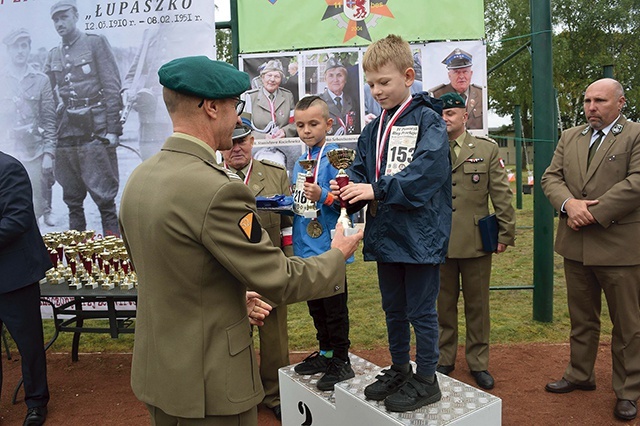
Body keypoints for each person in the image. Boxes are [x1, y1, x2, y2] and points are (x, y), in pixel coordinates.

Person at [118, 55, 363, 425]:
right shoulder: (218, 190)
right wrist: (336, 254)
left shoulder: (140, 178)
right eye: (236, 106)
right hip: (210, 385)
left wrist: (233, 296)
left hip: (158, 376)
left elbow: (169, 272)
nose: (237, 117)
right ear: (212, 107)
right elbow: (278, 279)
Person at [332, 34, 451, 412]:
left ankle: (427, 377)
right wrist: (349, 183)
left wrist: (375, 190)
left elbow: (425, 174)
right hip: (386, 234)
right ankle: (401, 367)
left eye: (384, 82)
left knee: (421, 311)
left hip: (419, 234)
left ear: (408, 76)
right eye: (370, 84)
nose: (376, 90)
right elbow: (362, 166)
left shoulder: (428, 121)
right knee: (394, 308)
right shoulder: (373, 127)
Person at [541, 78, 640, 421]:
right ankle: (580, 374)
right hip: (576, 246)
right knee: (582, 320)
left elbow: (637, 182)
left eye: (599, 100)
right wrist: (569, 204)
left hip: (620, 249)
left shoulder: (635, 134)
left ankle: (627, 391)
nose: (591, 107)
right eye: (587, 101)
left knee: (627, 325)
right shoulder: (571, 136)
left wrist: (590, 213)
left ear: (621, 102)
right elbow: (550, 178)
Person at [435, 93, 516, 390]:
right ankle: (444, 358)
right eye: (441, 113)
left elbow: (501, 195)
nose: (445, 118)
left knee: (477, 306)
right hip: (439, 242)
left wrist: (505, 233)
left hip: (476, 242)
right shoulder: (429, 149)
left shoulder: (485, 149)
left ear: (465, 116)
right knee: (443, 305)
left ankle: (478, 363)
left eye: (451, 113)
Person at [220, 124, 294, 421]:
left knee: (274, 337)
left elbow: (287, 225)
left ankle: (275, 394)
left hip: (269, 269)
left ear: (253, 141)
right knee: (231, 338)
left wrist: (288, 265)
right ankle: (239, 395)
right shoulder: (209, 176)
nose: (237, 148)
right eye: (231, 142)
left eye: (243, 141)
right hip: (227, 274)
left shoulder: (275, 174)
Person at [290, 95, 355, 391]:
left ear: (328, 124)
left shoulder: (335, 158)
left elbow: (348, 203)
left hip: (331, 246)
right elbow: (300, 201)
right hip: (306, 246)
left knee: (334, 307)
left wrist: (325, 196)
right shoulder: (300, 162)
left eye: (313, 124)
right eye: (300, 125)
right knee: (316, 305)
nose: (306, 130)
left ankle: (341, 359)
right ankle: (325, 353)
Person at [44, 0, 123, 236]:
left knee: (105, 197)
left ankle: (114, 256)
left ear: (75, 15)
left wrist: (113, 130)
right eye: (56, 19)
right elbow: (48, 97)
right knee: (72, 199)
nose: (60, 23)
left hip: (95, 130)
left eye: (64, 17)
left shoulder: (95, 43)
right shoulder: (52, 55)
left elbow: (111, 87)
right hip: (67, 133)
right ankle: (79, 260)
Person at [0, 151, 51, 426]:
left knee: (29, 345)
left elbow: (17, 220)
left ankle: (36, 403)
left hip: (15, 275)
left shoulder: (9, 168)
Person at [0, 28, 57, 227]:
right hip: (7, 153)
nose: (20, 51)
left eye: (24, 46)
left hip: (34, 152)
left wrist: (49, 153)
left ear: (29, 48)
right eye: (16, 46)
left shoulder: (41, 80)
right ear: (8, 50)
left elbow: (50, 120)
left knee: (36, 210)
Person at [429, 48, 483, 130]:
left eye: (465, 72)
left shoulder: (481, 94)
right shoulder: (436, 95)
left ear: (471, 74)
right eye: (456, 72)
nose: (461, 77)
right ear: (449, 75)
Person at [243, 59, 297, 139]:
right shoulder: (250, 97)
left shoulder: (288, 96)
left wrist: (285, 131)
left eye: (276, 76)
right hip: (257, 146)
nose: (272, 79)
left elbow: (295, 123)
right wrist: (263, 137)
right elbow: (244, 126)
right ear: (262, 77)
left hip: (283, 144)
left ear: (281, 79)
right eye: (269, 75)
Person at [319, 57, 360, 136]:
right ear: (325, 79)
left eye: (339, 75)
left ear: (345, 79)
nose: (335, 80)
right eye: (331, 75)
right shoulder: (318, 102)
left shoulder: (353, 101)